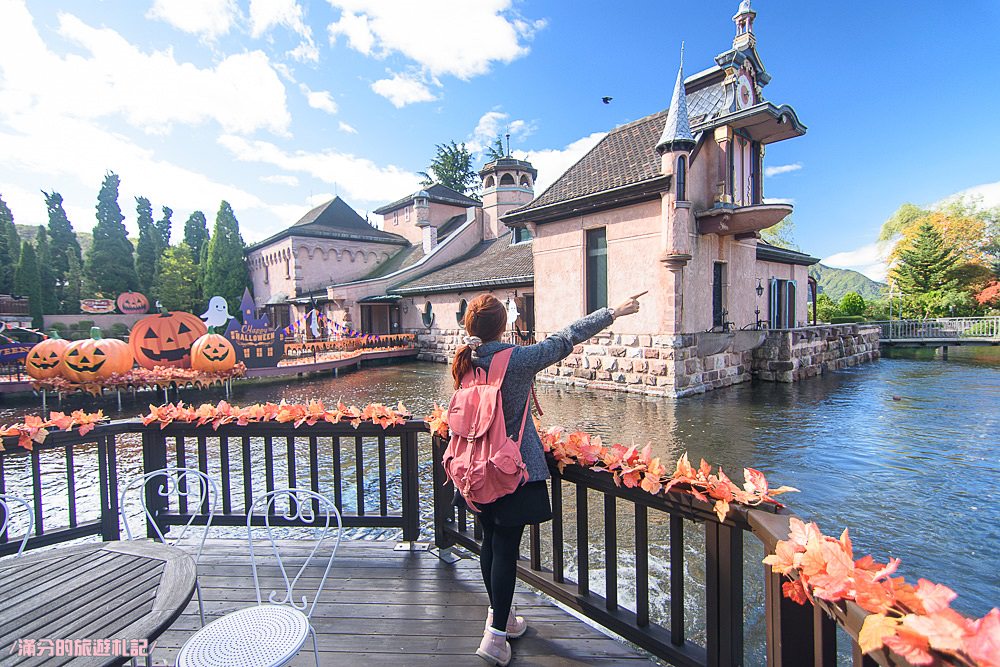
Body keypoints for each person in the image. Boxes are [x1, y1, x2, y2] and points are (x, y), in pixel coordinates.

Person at [451, 292, 643, 666]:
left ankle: (501, 617)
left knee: (490, 541)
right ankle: (494, 638)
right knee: (505, 547)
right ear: (502, 326)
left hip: (472, 468)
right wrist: (612, 313)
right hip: (511, 470)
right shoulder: (517, 360)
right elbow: (566, 337)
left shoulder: (464, 361)